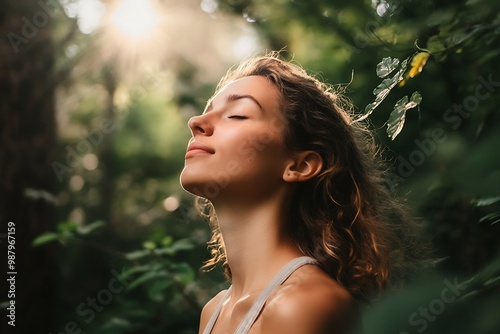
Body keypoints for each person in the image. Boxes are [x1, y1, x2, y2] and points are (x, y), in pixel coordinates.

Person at [180, 52, 425, 334]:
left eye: (237, 114)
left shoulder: (302, 305)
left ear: (300, 165)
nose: (196, 121)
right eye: (207, 109)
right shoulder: (213, 311)